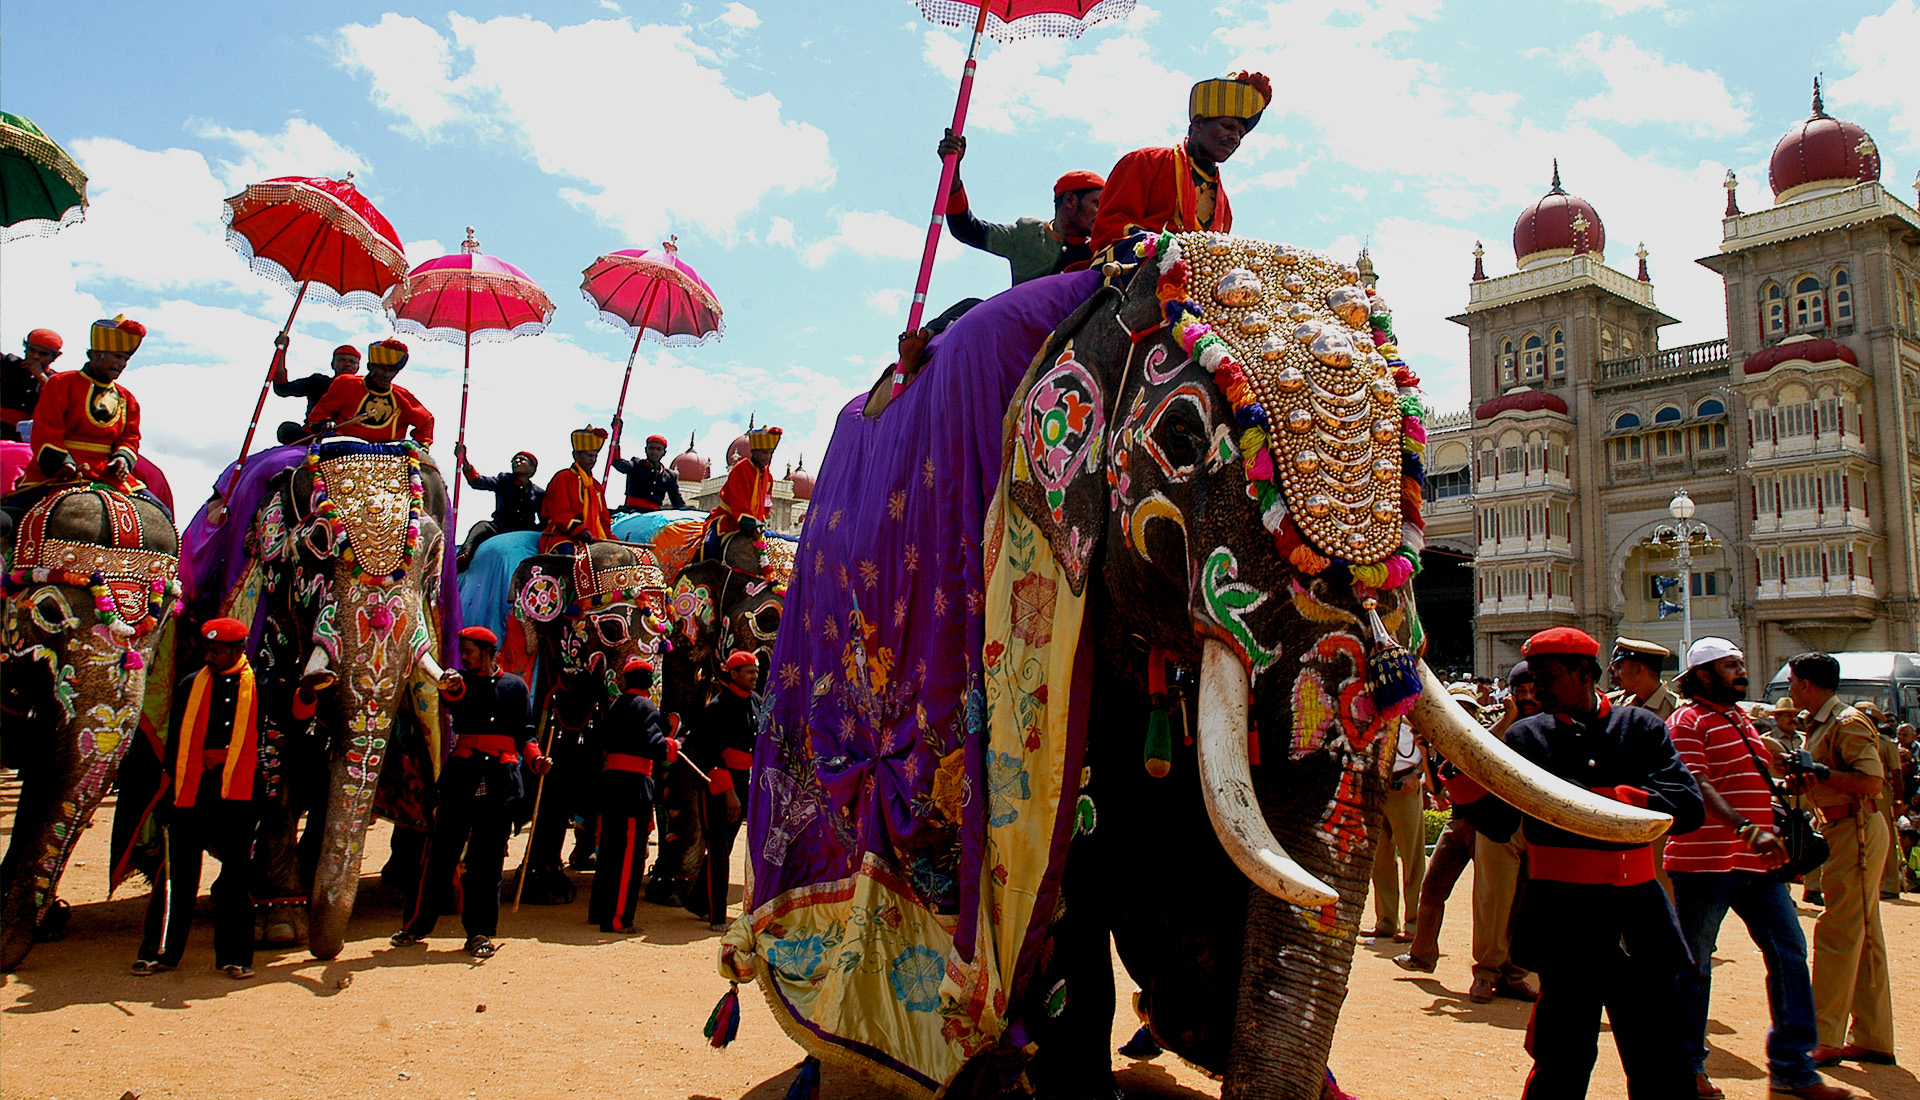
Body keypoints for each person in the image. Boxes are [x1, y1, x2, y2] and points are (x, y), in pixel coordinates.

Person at [1445, 627, 1704, 1100]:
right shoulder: (1527, 736)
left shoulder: (1639, 728)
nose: (1536, 689)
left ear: (1585, 674)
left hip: (1637, 920)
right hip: (1563, 920)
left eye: (1548, 677)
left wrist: (1591, 800)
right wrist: (1462, 778)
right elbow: (1500, 825)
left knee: (1659, 1058)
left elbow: (1686, 806)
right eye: (1529, 680)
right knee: (1562, 1058)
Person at [1665, 638, 1849, 1100]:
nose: (1740, 671)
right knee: (1694, 965)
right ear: (1704, 673)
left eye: (1741, 663)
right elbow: (1696, 783)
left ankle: (1792, 1068)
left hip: (1756, 863)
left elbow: (1760, 769)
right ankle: (1687, 1067)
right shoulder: (1687, 721)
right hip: (1705, 861)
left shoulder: (1740, 719)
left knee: (1788, 953)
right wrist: (1746, 827)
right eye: (1731, 666)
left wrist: (1795, 773)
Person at [135, 618, 315, 979]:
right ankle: (162, 953)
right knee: (178, 874)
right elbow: (175, 743)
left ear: (238, 650)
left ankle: (235, 956)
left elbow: (295, 717)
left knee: (236, 877)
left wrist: (308, 695)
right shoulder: (190, 684)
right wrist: (170, 788)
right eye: (207, 648)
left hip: (239, 792)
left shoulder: (263, 684)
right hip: (192, 788)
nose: (209, 655)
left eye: (216, 650)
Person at [392, 626, 549, 959]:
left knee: (488, 861)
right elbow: (453, 695)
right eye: (462, 651)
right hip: (462, 776)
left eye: (469, 651)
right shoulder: (457, 682)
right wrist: (449, 681)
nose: (463, 657)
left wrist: (535, 760)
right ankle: (416, 925)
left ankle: (479, 933)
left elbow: (525, 733)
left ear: (488, 653)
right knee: (441, 854)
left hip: (500, 780)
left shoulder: (515, 687)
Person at [1395, 662, 1537, 1005]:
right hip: (1469, 822)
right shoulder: (1458, 735)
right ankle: (1430, 956)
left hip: (1509, 825)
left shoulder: (1532, 726)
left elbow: (1481, 753)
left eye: (1468, 709)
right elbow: (1443, 784)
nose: (1528, 697)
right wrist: (1428, 750)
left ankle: (1507, 975)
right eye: (1521, 691)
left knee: (1511, 902)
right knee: (1442, 890)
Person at [1784, 653, 1897, 1067]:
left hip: (1857, 829)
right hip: (1842, 828)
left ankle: (1826, 1036)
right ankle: (1873, 1036)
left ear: (1808, 685)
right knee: (1863, 936)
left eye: (1794, 681)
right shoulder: (1823, 724)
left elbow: (1871, 780)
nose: (1792, 689)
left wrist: (1824, 775)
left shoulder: (1846, 722)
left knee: (1837, 931)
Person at [1087, 71, 1267, 255]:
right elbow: (1109, 226)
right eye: (1228, 127)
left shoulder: (1225, 205)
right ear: (1198, 124)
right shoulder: (1146, 162)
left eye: (1240, 134)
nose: (1234, 138)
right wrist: (1164, 246)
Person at [934, 131, 1104, 285]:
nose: (1101, 211)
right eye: (1096, 203)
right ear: (1070, 201)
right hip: (1024, 318)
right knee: (968, 308)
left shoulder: (1100, 250)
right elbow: (966, 229)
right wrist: (952, 170)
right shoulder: (1027, 235)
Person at [13, 316, 149, 501]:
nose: (122, 364)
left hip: (108, 475)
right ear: (95, 354)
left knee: (160, 514)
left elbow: (130, 437)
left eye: (125, 359)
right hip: (60, 471)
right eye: (117, 357)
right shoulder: (61, 383)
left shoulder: (127, 398)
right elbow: (46, 430)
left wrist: (123, 458)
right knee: (11, 519)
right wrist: (62, 462)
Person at [588, 657, 678, 933]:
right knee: (630, 854)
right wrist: (671, 745)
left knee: (609, 851)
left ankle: (599, 910)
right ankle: (618, 918)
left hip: (611, 780)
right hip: (634, 785)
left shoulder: (615, 706)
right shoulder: (646, 706)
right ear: (650, 682)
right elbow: (654, 745)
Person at [685, 650, 760, 932]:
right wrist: (729, 792)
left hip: (745, 780)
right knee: (718, 849)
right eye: (749, 672)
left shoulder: (756, 702)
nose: (755, 676)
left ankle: (697, 900)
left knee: (727, 845)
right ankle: (717, 916)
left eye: (756, 671)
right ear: (734, 674)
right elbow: (707, 753)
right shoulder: (717, 706)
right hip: (719, 784)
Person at [305, 338, 434, 446]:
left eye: (391, 371)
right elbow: (320, 413)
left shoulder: (402, 396)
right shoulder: (346, 383)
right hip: (343, 445)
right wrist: (324, 424)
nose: (386, 375)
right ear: (370, 367)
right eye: (382, 369)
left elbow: (426, 420)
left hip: (387, 452)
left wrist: (421, 444)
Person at [1366, 720, 1427, 944]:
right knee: (1380, 859)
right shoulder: (1371, 708)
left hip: (1405, 784)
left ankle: (1414, 924)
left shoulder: (1415, 709)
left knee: (1412, 858)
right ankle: (1386, 921)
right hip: (1374, 782)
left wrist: (1417, 775)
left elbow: (1430, 745)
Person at [455, 447, 542, 570]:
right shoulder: (504, 480)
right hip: (500, 526)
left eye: (522, 460)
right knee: (481, 527)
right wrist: (464, 460)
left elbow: (544, 518)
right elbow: (477, 481)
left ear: (532, 469)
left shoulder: (539, 493)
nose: (516, 461)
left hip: (525, 529)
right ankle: (464, 555)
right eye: (514, 460)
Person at [706, 424, 780, 556]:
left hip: (756, 527)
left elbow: (767, 504)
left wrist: (761, 523)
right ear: (754, 452)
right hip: (729, 521)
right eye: (764, 453)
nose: (768, 457)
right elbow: (738, 502)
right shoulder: (741, 469)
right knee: (708, 548)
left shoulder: (768, 477)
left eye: (771, 453)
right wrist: (752, 524)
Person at [538, 427, 612, 554]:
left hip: (593, 538)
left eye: (595, 456)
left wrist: (611, 539)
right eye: (588, 455)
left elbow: (603, 521)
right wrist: (581, 530)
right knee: (569, 558)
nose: (592, 460)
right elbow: (560, 514)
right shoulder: (563, 477)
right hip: (562, 536)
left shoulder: (596, 486)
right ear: (575, 455)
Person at [272, 342, 362, 445]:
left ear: (357, 367)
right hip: (313, 434)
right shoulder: (318, 382)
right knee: (286, 428)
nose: (347, 364)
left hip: (346, 436)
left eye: (352, 362)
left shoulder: (363, 389)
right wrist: (281, 349)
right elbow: (282, 388)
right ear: (333, 364)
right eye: (342, 360)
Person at [1, 327, 62, 441]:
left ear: (55, 357)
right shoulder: (7, 363)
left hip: (28, 438)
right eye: (32, 350)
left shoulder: (56, 380)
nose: (35, 356)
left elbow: (59, 405)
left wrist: (40, 376)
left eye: (43, 354)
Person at [607, 430, 686, 513]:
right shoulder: (636, 465)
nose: (654, 452)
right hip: (631, 513)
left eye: (658, 449)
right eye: (651, 448)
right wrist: (616, 435)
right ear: (646, 450)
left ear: (664, 453)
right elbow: (617, 462)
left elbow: (677, 503)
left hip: (654, 516)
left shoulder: (670, 476)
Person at [1608, 637, 1679, 721]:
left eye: (1620, 667)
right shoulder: (1623, 704)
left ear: (1638, 669)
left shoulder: (1676, 710)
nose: (1616, 674)